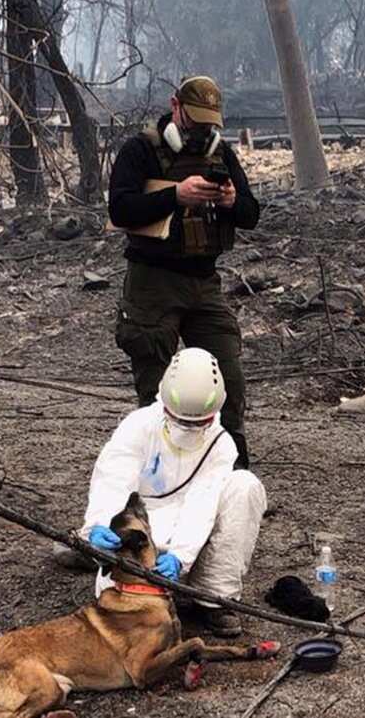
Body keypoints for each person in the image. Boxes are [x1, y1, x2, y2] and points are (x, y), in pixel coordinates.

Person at [107, 75, 259, 469]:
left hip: (204, 282)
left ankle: (231, 468)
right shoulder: (140, 150)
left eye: (210, 124)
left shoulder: (222, 154)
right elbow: (120, 210)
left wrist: (230, 201)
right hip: (151, 282)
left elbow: (252, 214)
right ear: (175, 107)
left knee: (228, 375)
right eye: (195, 120)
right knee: (156, 384)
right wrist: (175, 195)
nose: (202, 131)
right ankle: (160, 469)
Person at [74, 347, 266, 638]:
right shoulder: (139, 425)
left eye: (197, 423)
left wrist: (181, 555)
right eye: (181, 421)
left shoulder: (221, 445)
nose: (188, 429)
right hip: (145, 525)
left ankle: (212, 597)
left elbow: (202, 502)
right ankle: (102, 564)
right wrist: (99, 523)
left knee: (245, 485)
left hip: (188, 535)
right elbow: (113, 478)